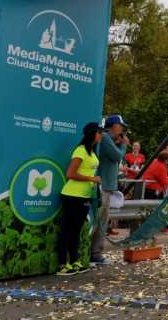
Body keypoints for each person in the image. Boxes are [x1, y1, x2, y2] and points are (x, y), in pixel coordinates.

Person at [57, 122, 103, 276]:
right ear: (93, 133)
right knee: (66, 229)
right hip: (72, 195)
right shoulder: (81, 150)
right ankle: (62, 264)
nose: (101, 135)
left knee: (76, 230)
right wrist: (92, 178)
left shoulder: (92, 151)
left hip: (85, 195)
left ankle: (74, 261)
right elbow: (70, 174)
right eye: (99, 132)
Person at [90, 114, 130, 265]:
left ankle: (94, 252)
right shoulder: (106, 138)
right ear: (114, 126)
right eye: (121, 126)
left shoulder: (108, 139)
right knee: (100, 221)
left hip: (107, 186)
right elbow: (117, 156)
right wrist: (123, 144)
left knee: (102, 221)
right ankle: (95, 253)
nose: (122, 130)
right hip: (103, 187)